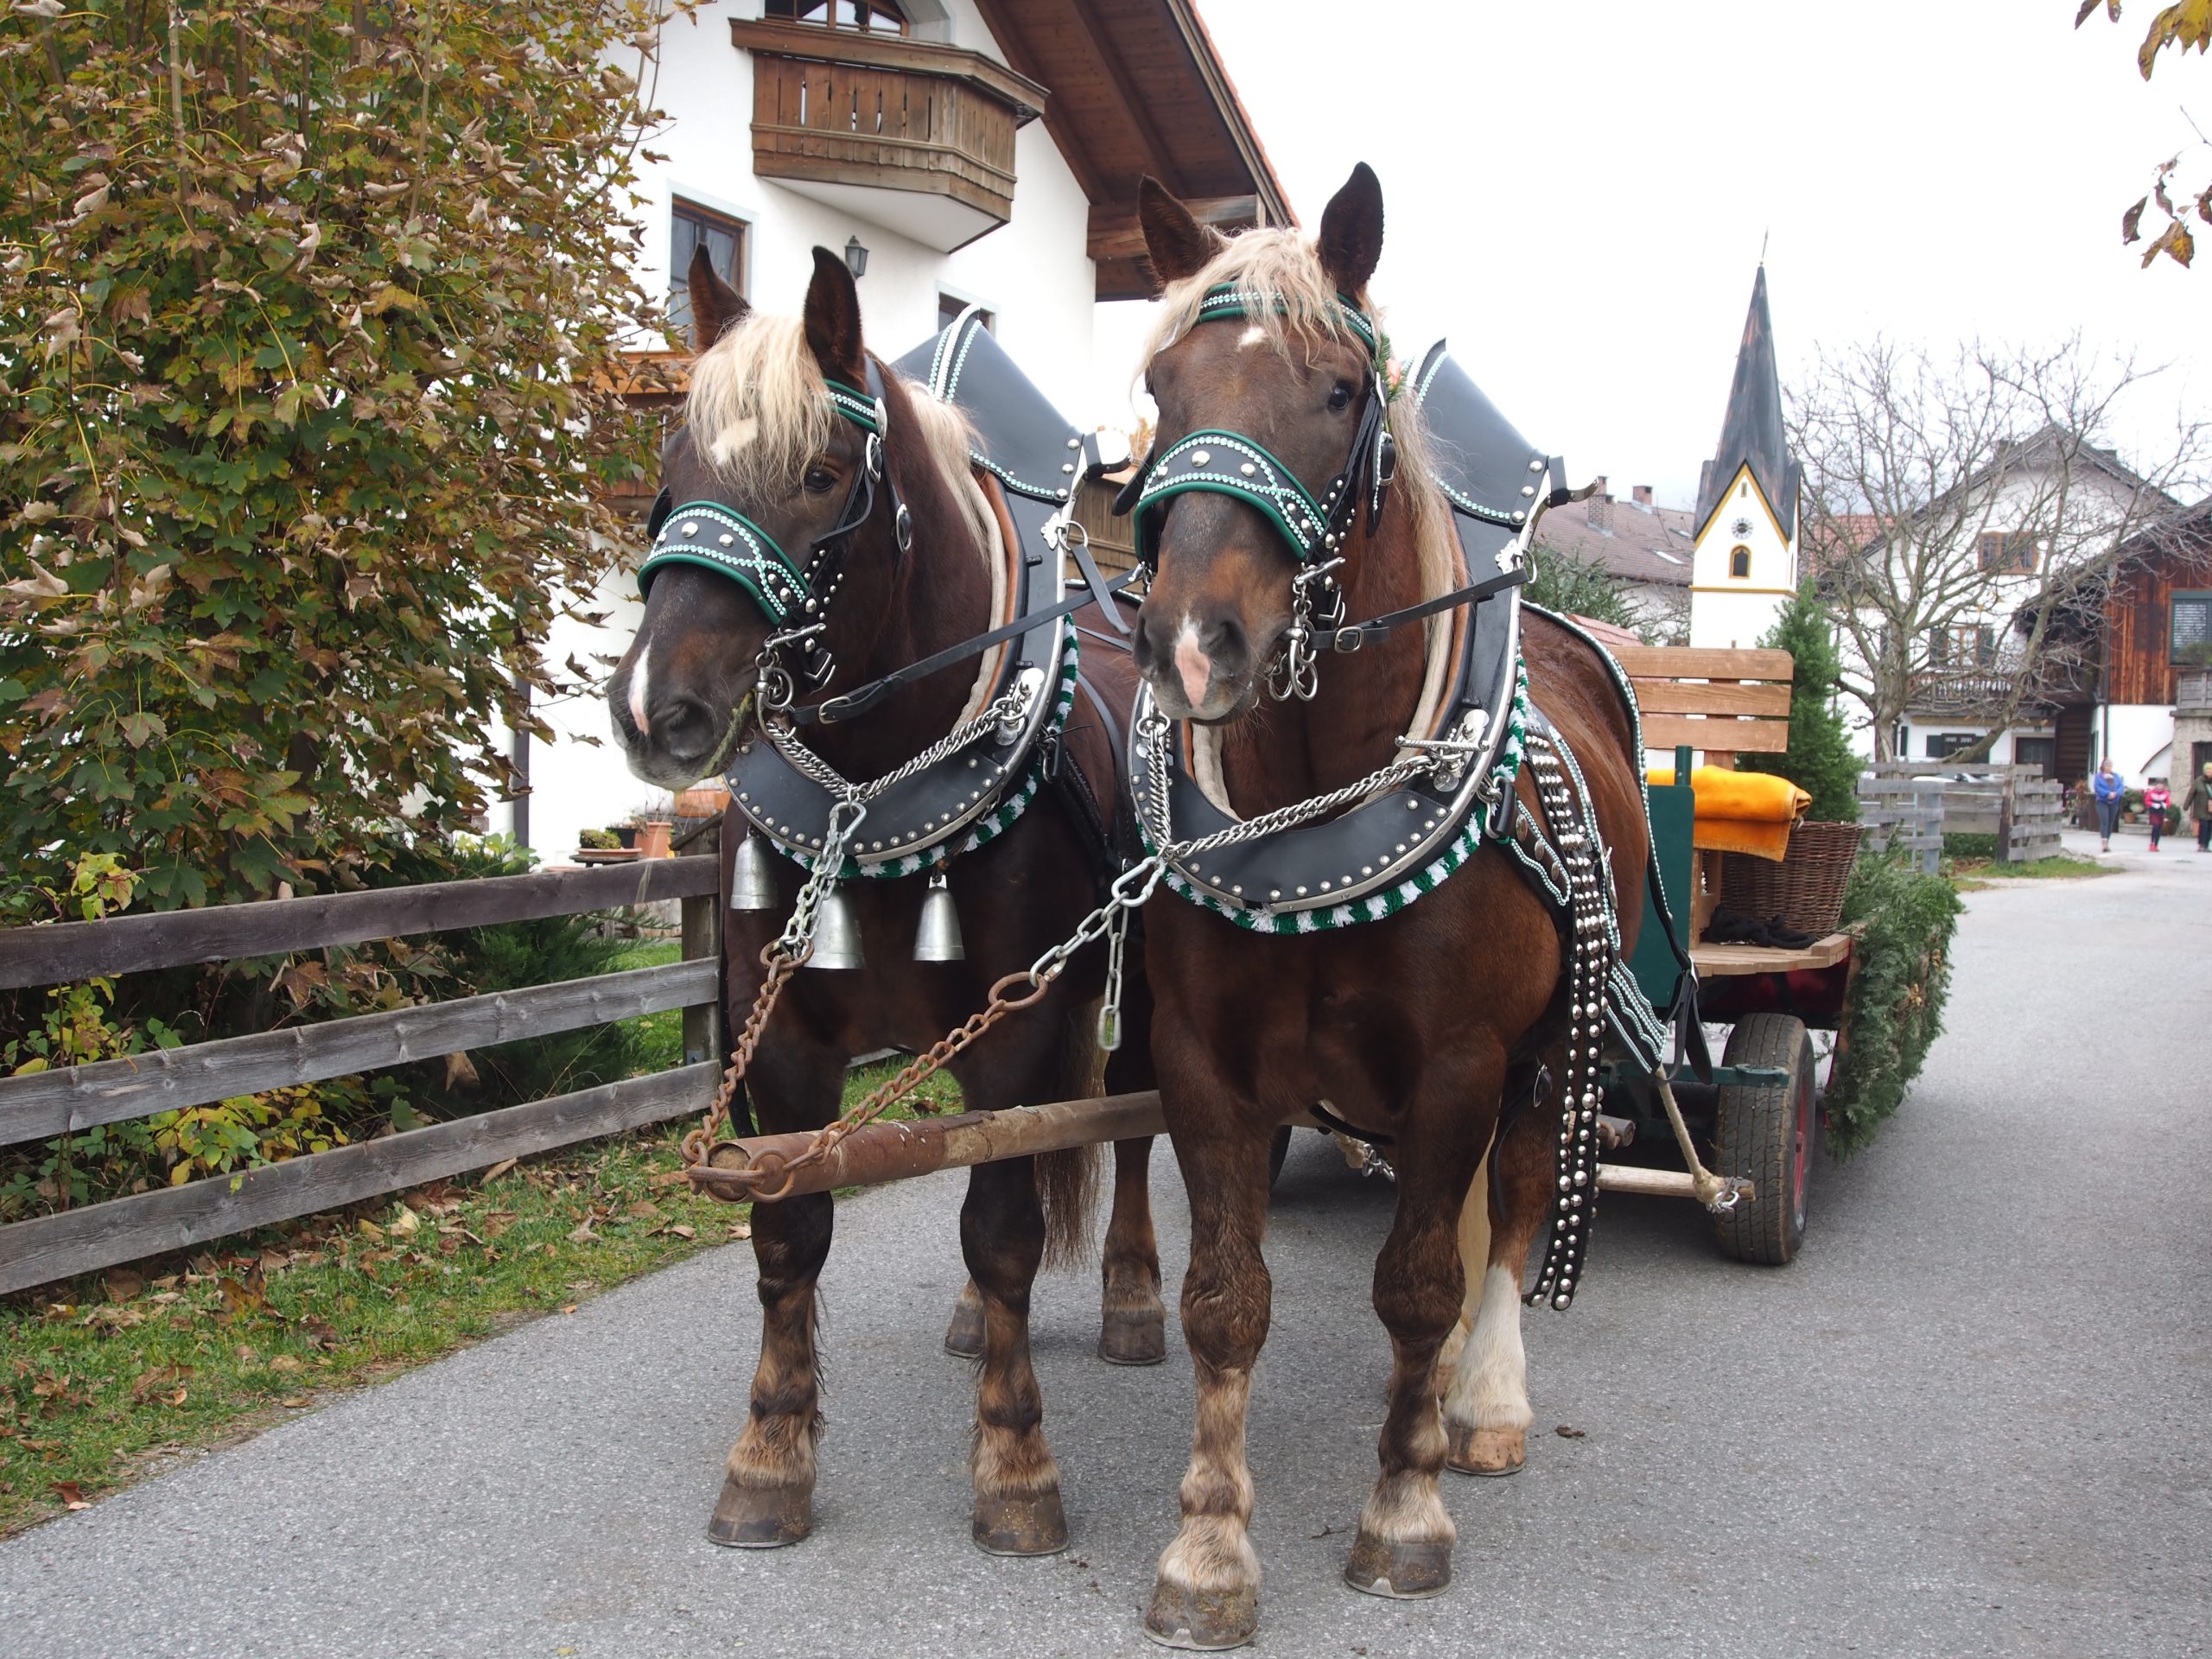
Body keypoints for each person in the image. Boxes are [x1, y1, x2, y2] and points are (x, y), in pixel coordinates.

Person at [2091, 760, 2125, 853]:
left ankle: (2107, 842)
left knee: (2110, 823)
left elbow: (2121, 787)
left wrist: (2116, 793)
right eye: (2107, 766)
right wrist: (2107, 793)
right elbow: (2097, 787)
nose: (2109, 768)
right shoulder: (2099, 777)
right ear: (2103, 766)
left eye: (2110, 766)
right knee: (2104, 821)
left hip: (2114, 801)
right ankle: (2103, 843)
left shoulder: (2116, 776)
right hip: (2102, 801)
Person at [2186, 760, 2212, 855]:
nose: (2209, 772)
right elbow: (2191, 793)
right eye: (2207, 770)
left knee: (2210, 827)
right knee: (2203, 826)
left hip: (2211, 809)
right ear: (2204, 771)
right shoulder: (2198, 781)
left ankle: (2206, 845)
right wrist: (2186, 805)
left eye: (2211, 770)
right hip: (2201, 808)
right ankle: (2201, 845)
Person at [2145, 777, 2172, 851]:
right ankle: (2152, 843)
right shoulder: (2151, 792)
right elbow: (2147, 801)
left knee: (2159, 828)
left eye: (2161, 784)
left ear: (2163, 785)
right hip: (2153, 811)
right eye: (2158, 784)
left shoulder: (2166, 793)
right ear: (2156, 785)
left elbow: (2168, 802)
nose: (2159, 786)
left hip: (2161, 812)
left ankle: (2156, 845)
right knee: (2155, 827)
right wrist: (2153, 804)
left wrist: (2165, 805)